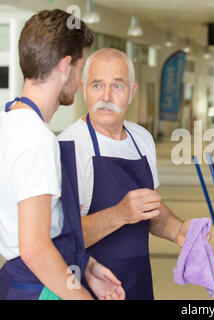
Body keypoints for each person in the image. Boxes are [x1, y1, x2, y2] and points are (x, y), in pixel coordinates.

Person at [0, 9, 125, 300]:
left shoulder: (8, 122)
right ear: (66, 66)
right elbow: (34, 248)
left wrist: (85, 266)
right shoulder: (36, 139)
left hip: (20, 283)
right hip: (39, 289)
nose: (80, 81)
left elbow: (33, 229)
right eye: (81, 69)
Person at [58, 48, 202, 300]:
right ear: (83, 88)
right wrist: (120, 214)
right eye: (97, 85)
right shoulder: (71, 145)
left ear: (132, 92)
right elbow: (64, 236)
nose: (106, 96)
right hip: (89, 287)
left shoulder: (142, 139)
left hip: (139, 282)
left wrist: (178, 230)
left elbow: (151, 213)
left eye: (117, 86)